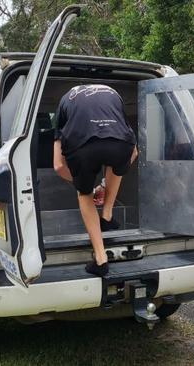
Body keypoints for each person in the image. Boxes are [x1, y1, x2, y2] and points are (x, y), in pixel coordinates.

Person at [53, 84, 138, 277]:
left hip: (83, 148)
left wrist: (87, 186)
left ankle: (101, 259)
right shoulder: (114, 93)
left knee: (84, 195)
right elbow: (133, 151)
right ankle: (107, 216)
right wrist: (105, 184)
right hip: (121, 145)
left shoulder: (65, 101)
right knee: (118, 164)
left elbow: (58, 165)